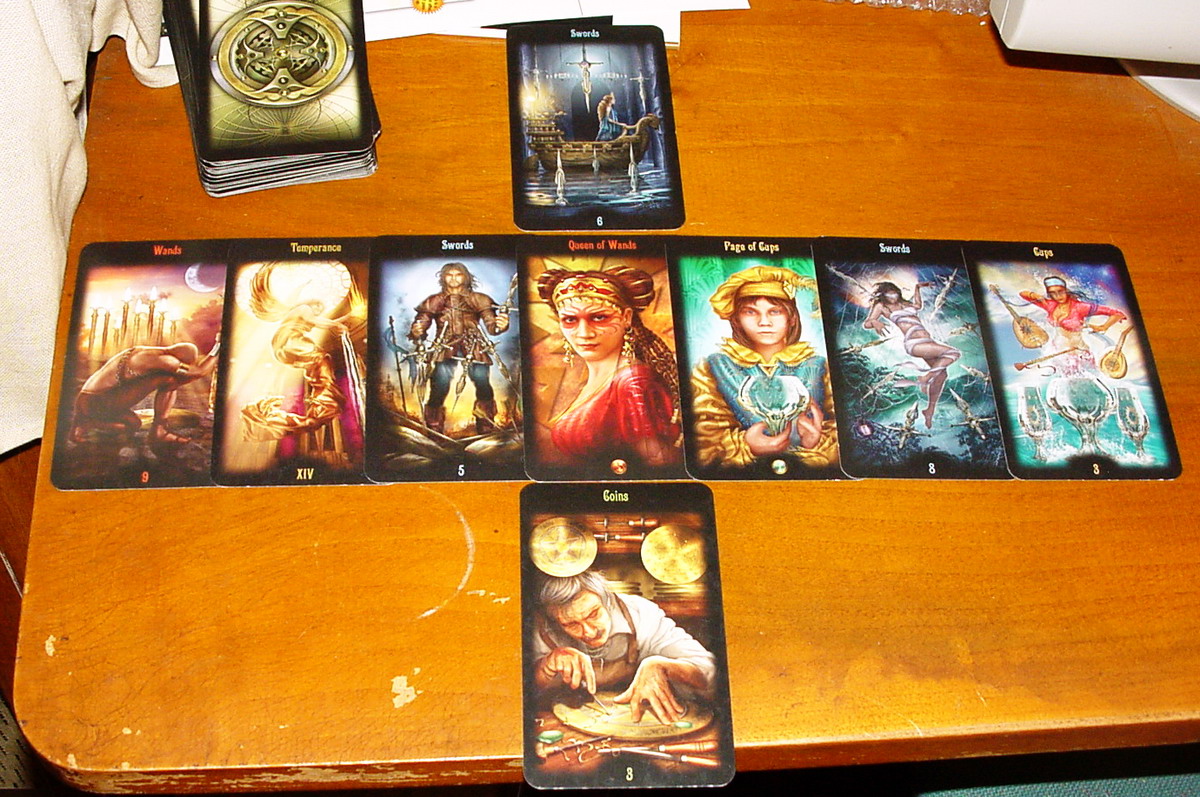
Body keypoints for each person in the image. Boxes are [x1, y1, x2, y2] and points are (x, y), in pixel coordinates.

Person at [691, 266, 838, 469]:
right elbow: (702, 439)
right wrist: (745, 445)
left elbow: (845, 432)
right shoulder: (713, 367)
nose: (764, 322)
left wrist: (816, 442)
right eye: (750, 312)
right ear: (736, 320)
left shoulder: (819, 366)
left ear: (792, 318)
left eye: (774, 311)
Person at [536, 265, 680, 468]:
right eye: (570, 320)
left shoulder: (633, 384)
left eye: (599, 318)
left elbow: (661, 464)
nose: (584, 333)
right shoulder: (606, 378)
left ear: (626, 317)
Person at [533, 570, 715, 724]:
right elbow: (521, 697)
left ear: (607, 601)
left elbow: (711, 672)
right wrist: (542, 669)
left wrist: (664, 667)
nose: (589, 632)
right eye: (571, 624)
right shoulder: (543, 630)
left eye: (593, 614)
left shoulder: (641, 615)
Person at [408, 262, 510, 435]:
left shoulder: (479, 299)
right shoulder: (434, 301)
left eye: (458, 274)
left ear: (466, 277)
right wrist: (417, 330)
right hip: (444, 347)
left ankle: (485, 424)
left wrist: (501, 325)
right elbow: (422, 321)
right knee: (439, 386)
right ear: (443, 278)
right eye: (449, 275)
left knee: (482, 384)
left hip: (474, 346)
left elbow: (492, 326)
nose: (454, 278)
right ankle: (434, 427)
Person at [69, 339, 220, 448]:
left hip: (89, 401)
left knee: (133, 424)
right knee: (169, 380)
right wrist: (219, 345)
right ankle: (88, 423)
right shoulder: (166, 361)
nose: (184, 368)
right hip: (96, 401)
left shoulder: (149, 352)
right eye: (185, 364)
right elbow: (200, 372)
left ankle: (88, 423)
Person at [863, 280, 960, 428]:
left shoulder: (905, 304)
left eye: (895, 293)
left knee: (941, 375)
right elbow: (867, 323)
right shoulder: (882, 306)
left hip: (928, 342)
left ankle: (929, 410)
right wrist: (875, 322)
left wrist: (917, 288)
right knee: (954, 352)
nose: (893, 296)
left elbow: (918, 306)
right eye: (889, 294)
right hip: (914, 344)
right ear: (883, 295)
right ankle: (925, 378)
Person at [1017, 275, 1126, 371]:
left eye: (1060, 291)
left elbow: (1117, 314)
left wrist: (1103, 327)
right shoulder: (1049, 305)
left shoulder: (1080, 307)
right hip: (1057, 351)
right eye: (1053, 293)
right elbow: (1022, 294)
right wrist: (1036, 296)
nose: (1057, 296)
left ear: (1066, 290)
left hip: (1078, 352)